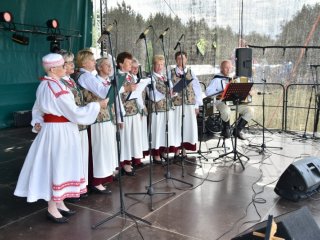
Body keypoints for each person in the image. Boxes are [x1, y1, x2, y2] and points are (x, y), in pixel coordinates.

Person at [14, 53, 108, 223]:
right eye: (62, 65)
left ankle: (59, 202)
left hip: (57, 130)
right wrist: (97, 105)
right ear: (53, 69)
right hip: (59, 132)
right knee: (56, 165)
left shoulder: (47, 84)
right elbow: (74, 112)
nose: (66, 68)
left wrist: (37, 121)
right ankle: (52, 207)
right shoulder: (55, 87)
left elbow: (37, 109)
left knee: (60, 165)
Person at [76, 49, 113, 194]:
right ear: (85, 62)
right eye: (92, 60)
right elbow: (103, 92)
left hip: (97, 115)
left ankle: (99, 178)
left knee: (100, 148)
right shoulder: (86, 77)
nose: (94, 62)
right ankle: (96, 180)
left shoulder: (87, 76)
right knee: (97, 149)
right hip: (94, 117)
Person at [58, 50, 89, 201]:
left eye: (72, 62)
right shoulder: (60, 83)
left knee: (80, 156)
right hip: (70, 125)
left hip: (79, 124)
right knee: (70, 158)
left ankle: (79, 186)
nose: (72, 65)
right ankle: (69, 189)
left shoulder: (71, 80)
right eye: (68, 63)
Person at [205, 60, 253, 140]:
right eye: (226, 68)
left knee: (250, 110)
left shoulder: (234, 78)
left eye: (230, 68)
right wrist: (220, 92)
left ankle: (237, 130)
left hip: (234, 102)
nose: (228, 70)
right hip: (221, 102)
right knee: (226, 111)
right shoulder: (216, 79)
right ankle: (225, 129)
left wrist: (248, 91)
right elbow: (207, 92)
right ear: (221, 68)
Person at [169, 51, 203, 159]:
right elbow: (168, 88)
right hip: (177, 104)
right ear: (176, 60)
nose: (181, 61)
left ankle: (184, 149)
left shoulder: (191, 72)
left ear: (186, 59)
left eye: (183, 58)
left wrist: (197, 105)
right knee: (177, 127)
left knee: (187, 127)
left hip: (189, 104)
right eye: (179, 58)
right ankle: (176, 149)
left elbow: (197, 89)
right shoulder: (171, 72)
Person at [116, 52, 142, 176]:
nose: (131, 65)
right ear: (121, 64)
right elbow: (115, 93)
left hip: (133, 110)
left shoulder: (130, 76)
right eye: (128, 62)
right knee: (124, 138)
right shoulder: (116, 76)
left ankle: (130, 160)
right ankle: (124, 163)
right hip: (124, 112)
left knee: (132, 138)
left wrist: (140, 108)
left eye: (131, 62)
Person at [149, 55, 175, 162]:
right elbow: (151, 94)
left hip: (167, 108)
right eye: (158, 64)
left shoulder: (165, 77)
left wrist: (173, 92)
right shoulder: (151, 77)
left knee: (165, 130)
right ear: (153, 65)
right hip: (157, 109)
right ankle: (156, 155)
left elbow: (172, 90)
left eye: (161, 64)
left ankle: (163, 151)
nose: (160, 67)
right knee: (157, 131)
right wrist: (165, 94)